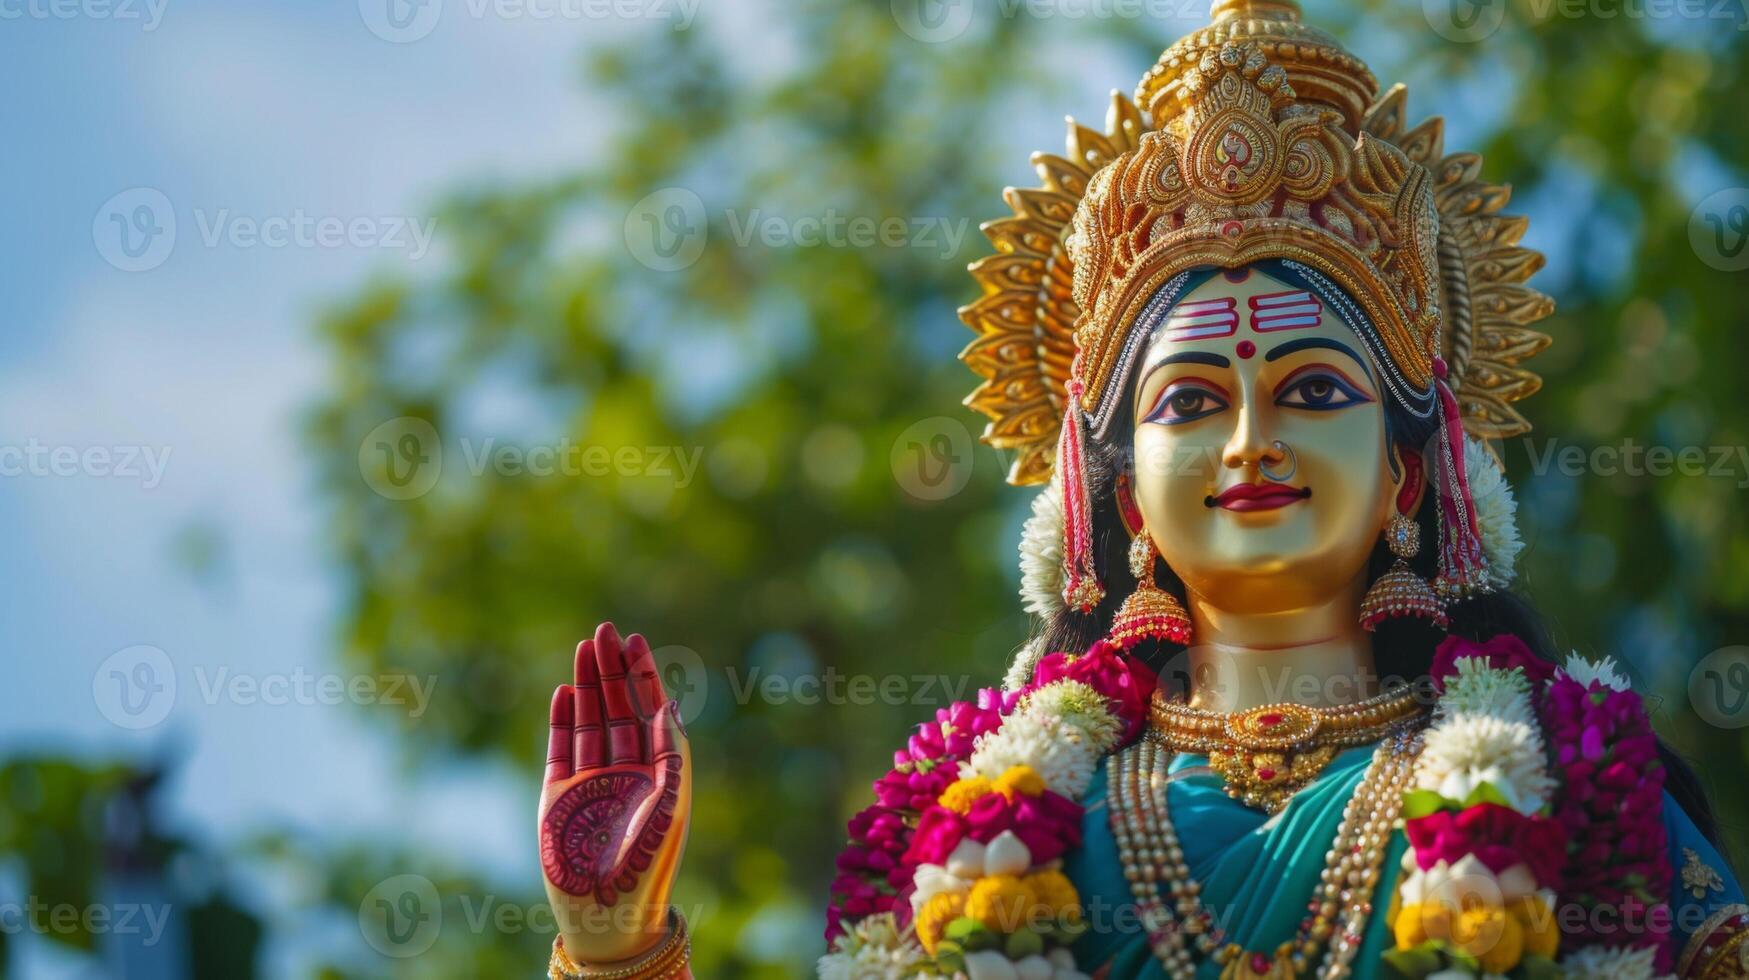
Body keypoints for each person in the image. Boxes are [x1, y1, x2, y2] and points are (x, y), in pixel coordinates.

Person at [535, 3, 1747, 977]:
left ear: (1407, 478)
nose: (1251, 441)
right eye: (1191, 401)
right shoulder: (1002, 816)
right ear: (1120, 503)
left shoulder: (1575, 781)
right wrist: (618, 950)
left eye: (1316, 391)